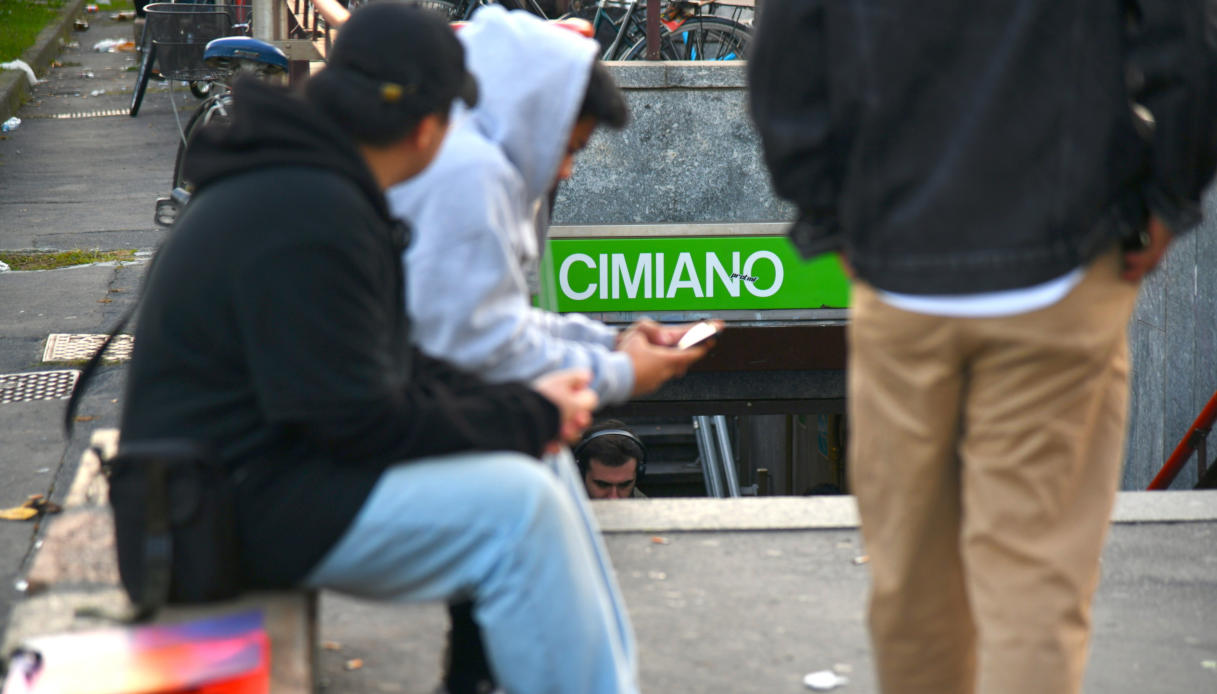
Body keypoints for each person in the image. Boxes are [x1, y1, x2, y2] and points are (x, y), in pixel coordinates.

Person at [119, 5, 639, 693]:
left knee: (530, 469)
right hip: (211, 511)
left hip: (229, 480)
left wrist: (525, 411)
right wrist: (527, 414)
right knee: (520, 511)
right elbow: (361, 420)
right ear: (428, 125)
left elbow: (381, 375)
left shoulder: (308, 181)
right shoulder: (317, 209)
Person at [749, 2, 1217, 694]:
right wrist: (1166, 200)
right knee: (1033, 583)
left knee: (910, 583)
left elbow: (785, 62)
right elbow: (1181, 45)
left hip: (900, 269)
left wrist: (829, 218)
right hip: (1061, 266)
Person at [386, 5, 712, 409]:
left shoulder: (465, 152)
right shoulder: (471, 176)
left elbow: (494, 321)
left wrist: (609, 341)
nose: (566, 171)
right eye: (568, 148)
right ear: (535, 120)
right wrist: (620, 373)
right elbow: (481, 349)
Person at [575, 420, 648, 499]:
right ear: (581, 474)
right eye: (602, 485)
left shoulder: (647, 509)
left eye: (624, 485)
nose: (613, 497)